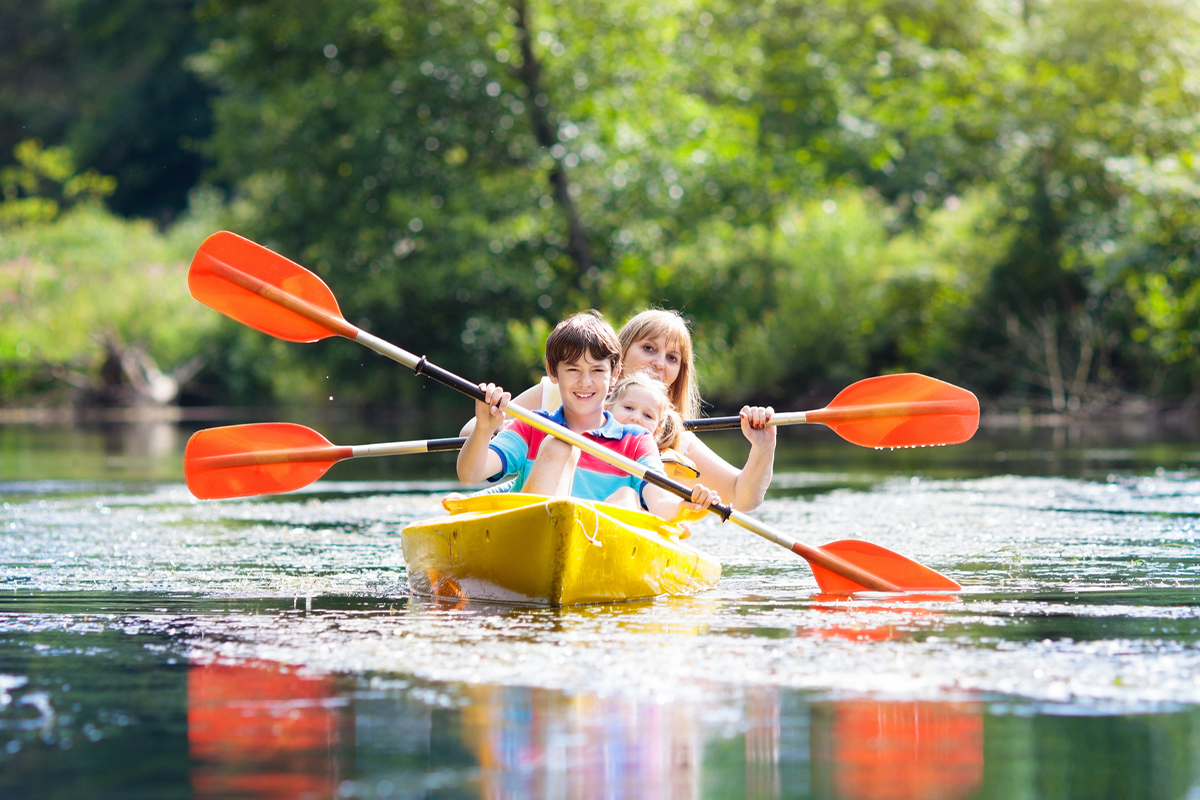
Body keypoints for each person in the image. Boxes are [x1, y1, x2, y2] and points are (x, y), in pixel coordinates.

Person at [462, 308, 776, 511]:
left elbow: (743, 496)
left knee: (627, 497)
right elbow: (470, 437)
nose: (658, 363)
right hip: (538, 511)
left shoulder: (668, 439)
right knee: (557, 445)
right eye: (649, 348)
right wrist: (504, 428)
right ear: (620, 357)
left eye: (672, 358)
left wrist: (763, 448)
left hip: (613, 530)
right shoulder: (559, 393)